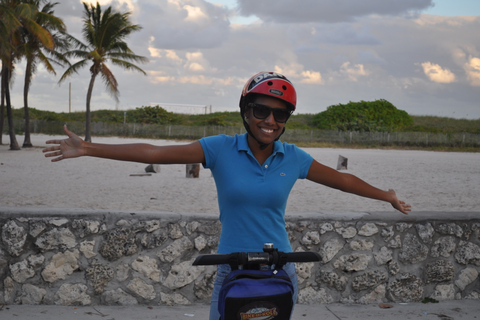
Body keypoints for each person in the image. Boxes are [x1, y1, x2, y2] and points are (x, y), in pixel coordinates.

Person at [43, 71, 411, 319]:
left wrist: (387, 195)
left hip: (280, 268)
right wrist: (90, 148)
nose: (270, 120)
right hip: (231, 269)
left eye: (280, 115)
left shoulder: (294, 157)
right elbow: (154, 153)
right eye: (261, 110)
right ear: (246, 112)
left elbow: (341, 181)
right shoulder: (219, 149)